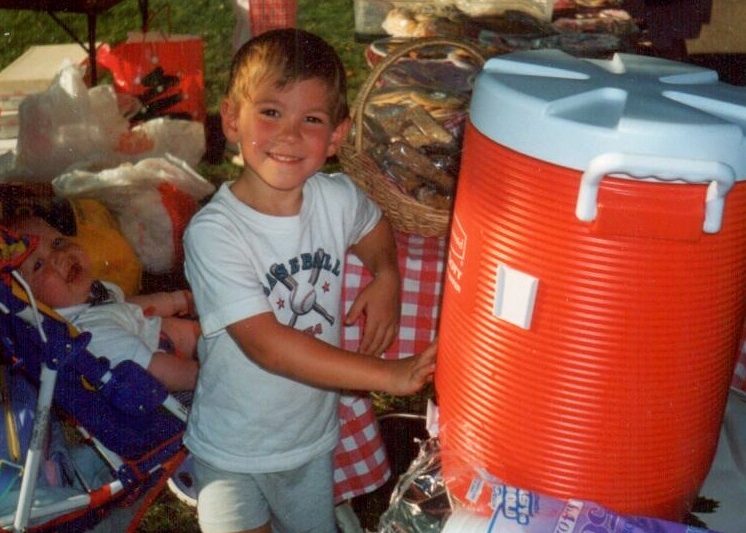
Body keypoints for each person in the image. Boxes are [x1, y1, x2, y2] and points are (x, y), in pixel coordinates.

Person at [183, 28, 437, 533]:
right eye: (271, 112)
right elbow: (268, 346)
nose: (290, 134)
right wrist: (388, 375)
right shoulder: (214, 232)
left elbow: (371, 226)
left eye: (312, 120)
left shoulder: (336, 197)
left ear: (337, 135)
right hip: (231, 447)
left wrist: (386, 275)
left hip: (311, 440)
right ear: (232, 118)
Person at [10, 215, 199, 392]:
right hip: (161, 380)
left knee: (193, 331)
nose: (59, 256)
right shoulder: (89, 333)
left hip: (153, 337)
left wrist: (175, 300)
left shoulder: (89, 293)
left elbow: (123, 306)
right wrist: (209, 376)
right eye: (38, 265)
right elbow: (156, 370)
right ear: (28, 300)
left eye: (57, 243)